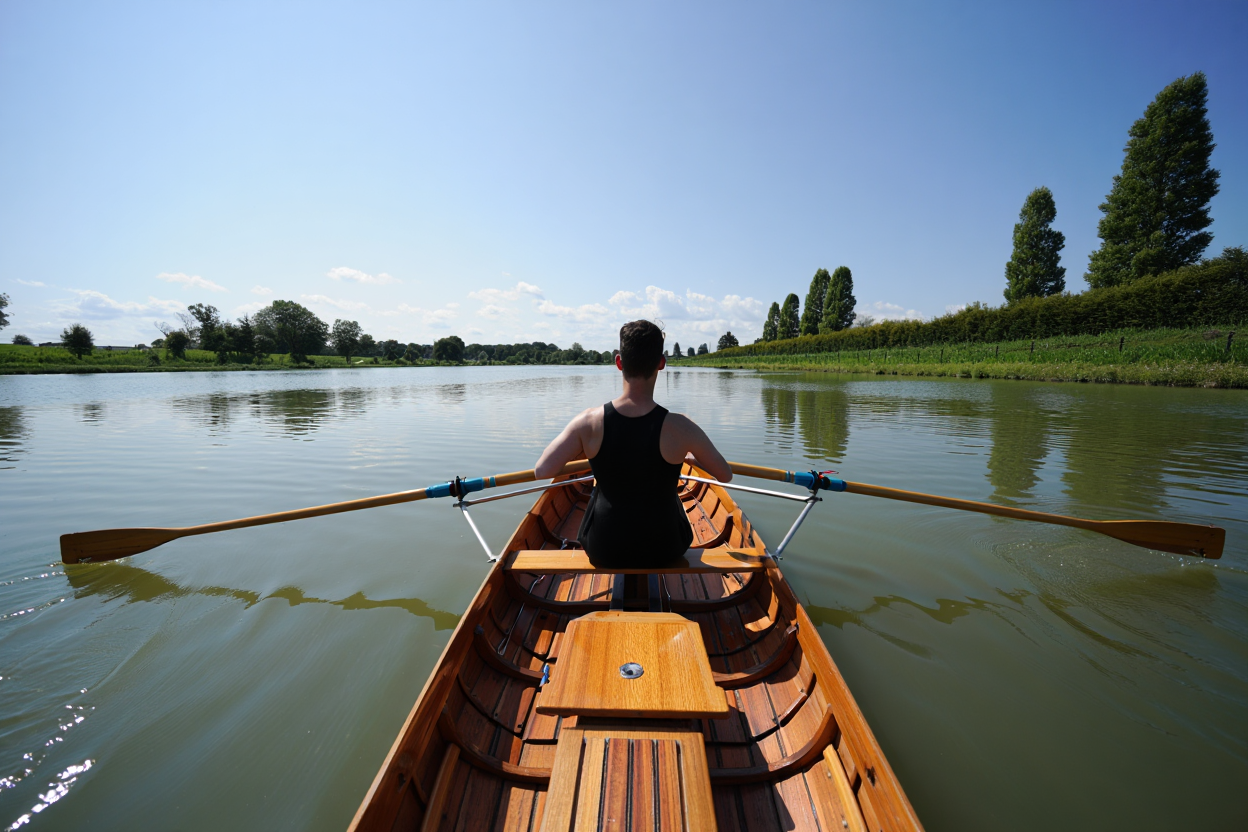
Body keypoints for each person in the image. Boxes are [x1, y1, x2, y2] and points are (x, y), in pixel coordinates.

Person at [535, 320, 732, 568]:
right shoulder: (681, 428)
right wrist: (692, 460)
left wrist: (588, 449)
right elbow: (725, 475)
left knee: (599, 491)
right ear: (661, 363)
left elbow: (542, 470)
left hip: (604, 547)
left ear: (619, 362)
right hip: (667, 547)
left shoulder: (588, 422)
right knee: (673, 499)